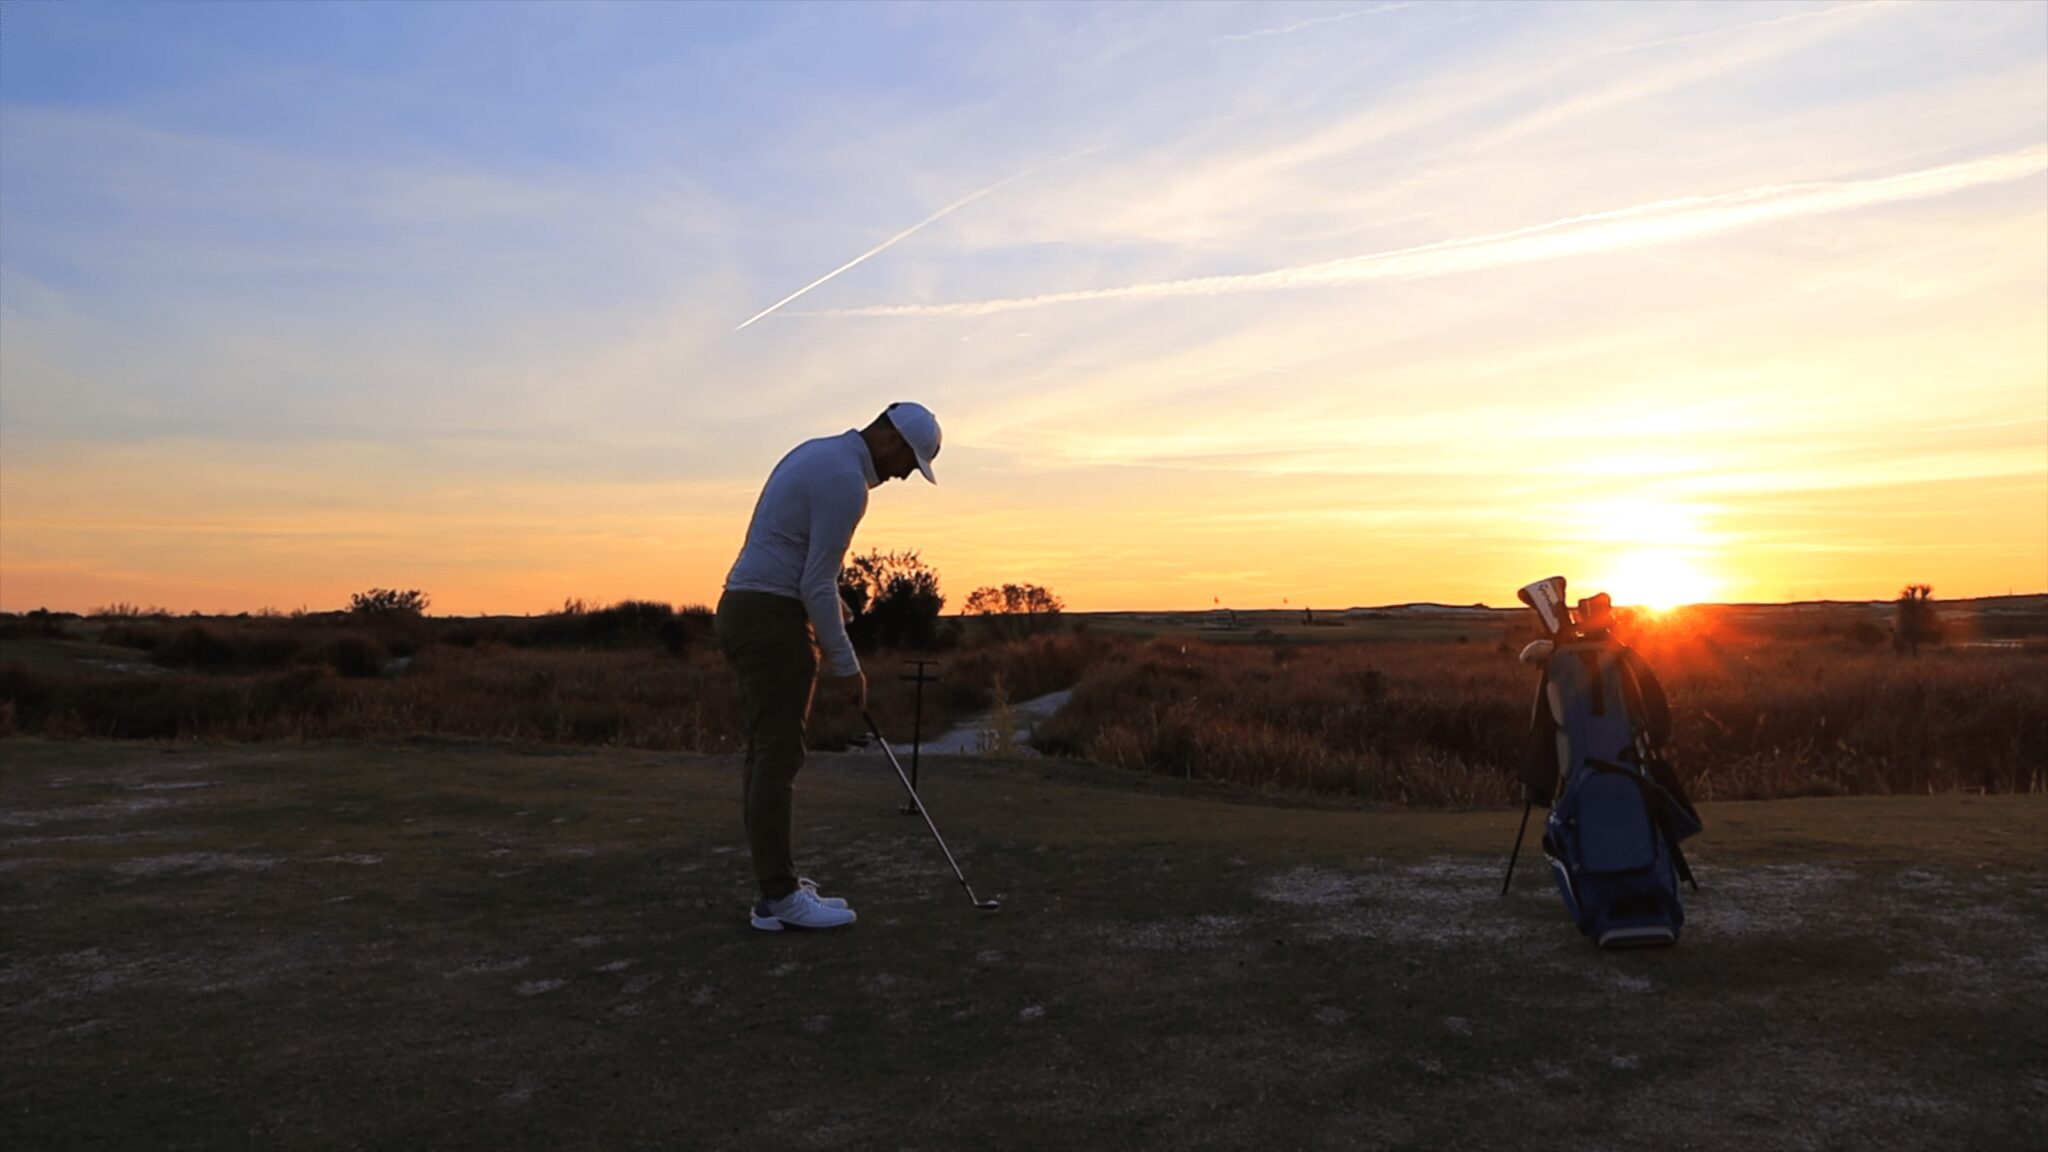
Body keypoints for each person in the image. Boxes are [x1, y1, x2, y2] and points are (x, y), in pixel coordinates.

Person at [715, 402, 942, 931]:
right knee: (779, 754)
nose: (907, 473)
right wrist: (848, 667)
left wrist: (833, 605)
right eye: (910, 460)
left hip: (747, 606)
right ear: (890, 438)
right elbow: (812, 581)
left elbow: (799, 560)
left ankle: (777, 886)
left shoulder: (818, 453)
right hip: (770, 619)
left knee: (767, 752)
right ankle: (779, 897)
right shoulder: (847, 482)